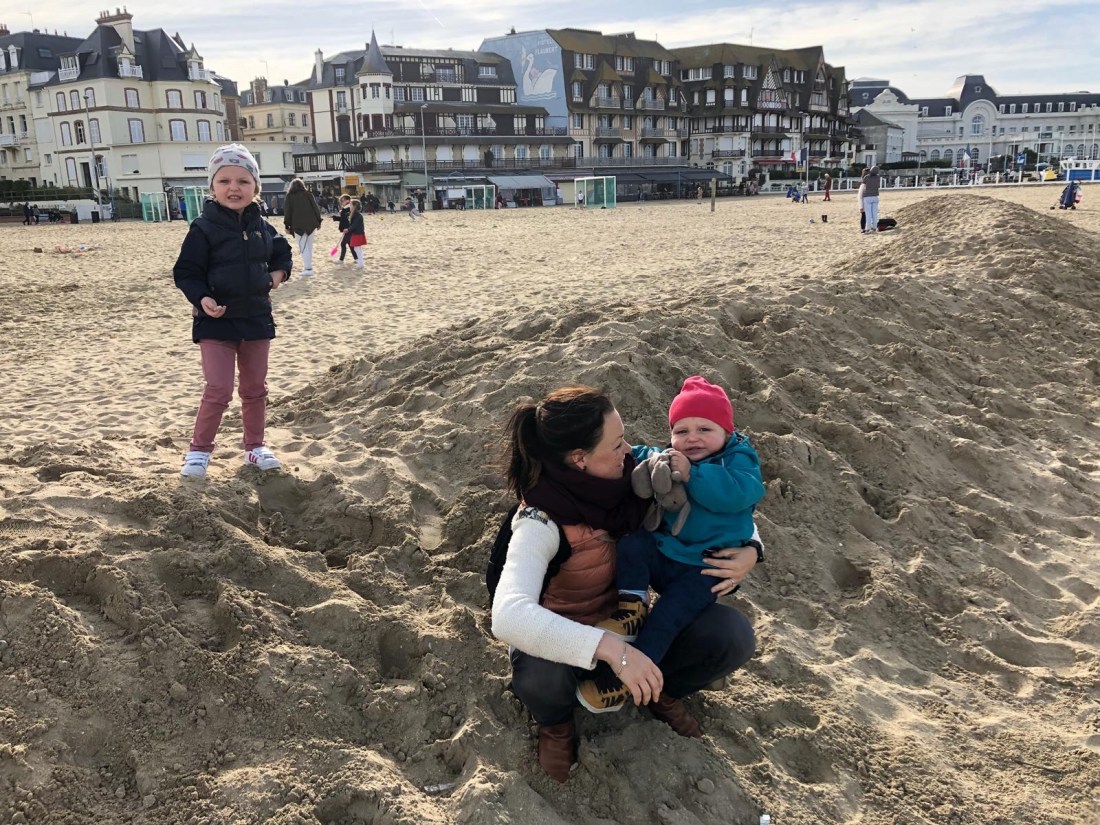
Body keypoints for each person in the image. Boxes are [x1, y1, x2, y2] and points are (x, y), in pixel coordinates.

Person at [492, 386, 757, 782]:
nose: (629, 449)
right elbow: (508, 617)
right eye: (617, 444)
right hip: (566, 637)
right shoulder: (540, 520)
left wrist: (752, 547)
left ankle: (659, 691)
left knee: (730, 634)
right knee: (538, 671)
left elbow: (715, 511)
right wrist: (612, 650)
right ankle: (557, 724)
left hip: (631, 625)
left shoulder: (633, 480)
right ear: (580, 459)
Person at [575, 376, 765, 713]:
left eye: (704, 429)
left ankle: (625, 683)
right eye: (681, 430)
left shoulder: (738, 461)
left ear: (727, 432)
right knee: (634, 544)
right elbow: (647, 455)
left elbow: (738, 495)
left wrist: (693, 475)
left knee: (666, 619)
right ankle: (632, 607)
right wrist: (629, 452)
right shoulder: (674, 456)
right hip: (666, 551)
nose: (692, 438)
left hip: (703, 569)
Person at [172, 143, 292, 479]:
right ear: (212, 187)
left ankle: (255, 447)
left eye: (243, 181)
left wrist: (277, 276)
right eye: (224, 181)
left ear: (255, 187)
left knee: (255, 389)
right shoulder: (202, 228)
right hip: (216, 322)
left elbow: (283, 254)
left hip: (255, 319)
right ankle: (198, 451)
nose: (234, 188)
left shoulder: (262, 226)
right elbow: (186, 272)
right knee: (219, 389)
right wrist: (201, 299)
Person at [282, 178, 323, 277]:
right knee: (309, 246)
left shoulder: (290, 196)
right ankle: (308, 267)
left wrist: (287, 225)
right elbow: (316, 208)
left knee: (303, 247)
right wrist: (319, 221)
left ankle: (308, 268)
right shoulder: (308, 194)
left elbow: (287, 212)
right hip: (311, 223)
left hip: (298, 225)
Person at [332, 194, 357, 265]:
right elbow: (343, 218)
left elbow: (346, 219)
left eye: (343, 200)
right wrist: (335, 217)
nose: (342, 202)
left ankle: (341, 260)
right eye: (341, 201)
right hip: (347, 229)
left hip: (348, 229)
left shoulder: (348, 208)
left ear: (348, 200)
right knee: (350, 245)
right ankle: (356, 259)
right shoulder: (346, 208)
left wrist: (335, 217)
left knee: (343, 244)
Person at [345, 199, 367, 270]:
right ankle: (361, 263)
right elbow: (352, 223)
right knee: (357, 248)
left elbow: (354, 225)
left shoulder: (357, 216)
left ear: (354, 207)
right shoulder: (355, 215)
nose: (350, 206)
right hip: (357, 233)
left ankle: (361, 264)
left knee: (357, 249)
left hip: (358, 234)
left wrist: (348, 229)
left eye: (351, 205)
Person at [862, 165, 881, 233]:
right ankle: (875, 227)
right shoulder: (878, 177)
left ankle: (868, 228)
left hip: (867, 196)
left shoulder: (866, 177)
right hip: (875, 196)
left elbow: (863, 184)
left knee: (868, 213)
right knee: (875, 213)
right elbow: (878, 186)